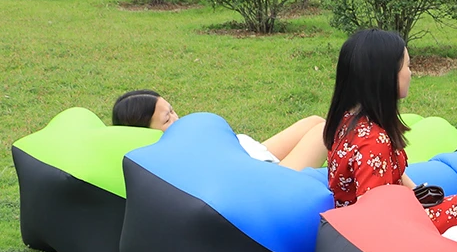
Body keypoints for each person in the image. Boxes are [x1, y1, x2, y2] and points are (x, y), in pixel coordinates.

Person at [324, 29, 457, 233]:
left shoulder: (347, 121)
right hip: (390, 230)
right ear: (386, 77)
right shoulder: (373, 142)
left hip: (393, 212)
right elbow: (374, 219)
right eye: (407, 66)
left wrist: (419, 195)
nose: (410, 73)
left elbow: (392, 177)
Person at [112, 90, 327, 172]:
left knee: (314, 121)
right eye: (167, 119)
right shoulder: (170, 159)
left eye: (172, 111)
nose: (177, 119)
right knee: (324, 130)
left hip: (250, 152)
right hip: (269, 176)